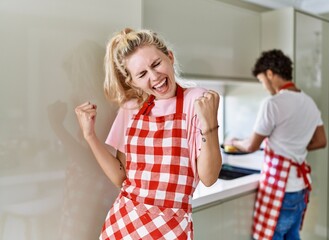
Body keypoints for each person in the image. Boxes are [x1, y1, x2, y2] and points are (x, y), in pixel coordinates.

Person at [74, 28, 222, 239]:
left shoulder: (196, 101)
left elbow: (208, 177)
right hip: (122, 224)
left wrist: (209, 125)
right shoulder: (131, 108)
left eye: (156, 64)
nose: (154, 77)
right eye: (142, 74)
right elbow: (120, 177)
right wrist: (89, 135)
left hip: (170, 228)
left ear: (169, 57)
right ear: (133, 82)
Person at [225, 49, 327, 240]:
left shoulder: (273, 104)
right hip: (300, 188)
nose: (264, 86)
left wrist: (233, 142)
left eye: (262, 81)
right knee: (293, 236)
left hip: (280, 189)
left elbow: (251, 146)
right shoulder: (309, 103)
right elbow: (321, 141)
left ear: (270, 73)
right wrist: (295, 148)